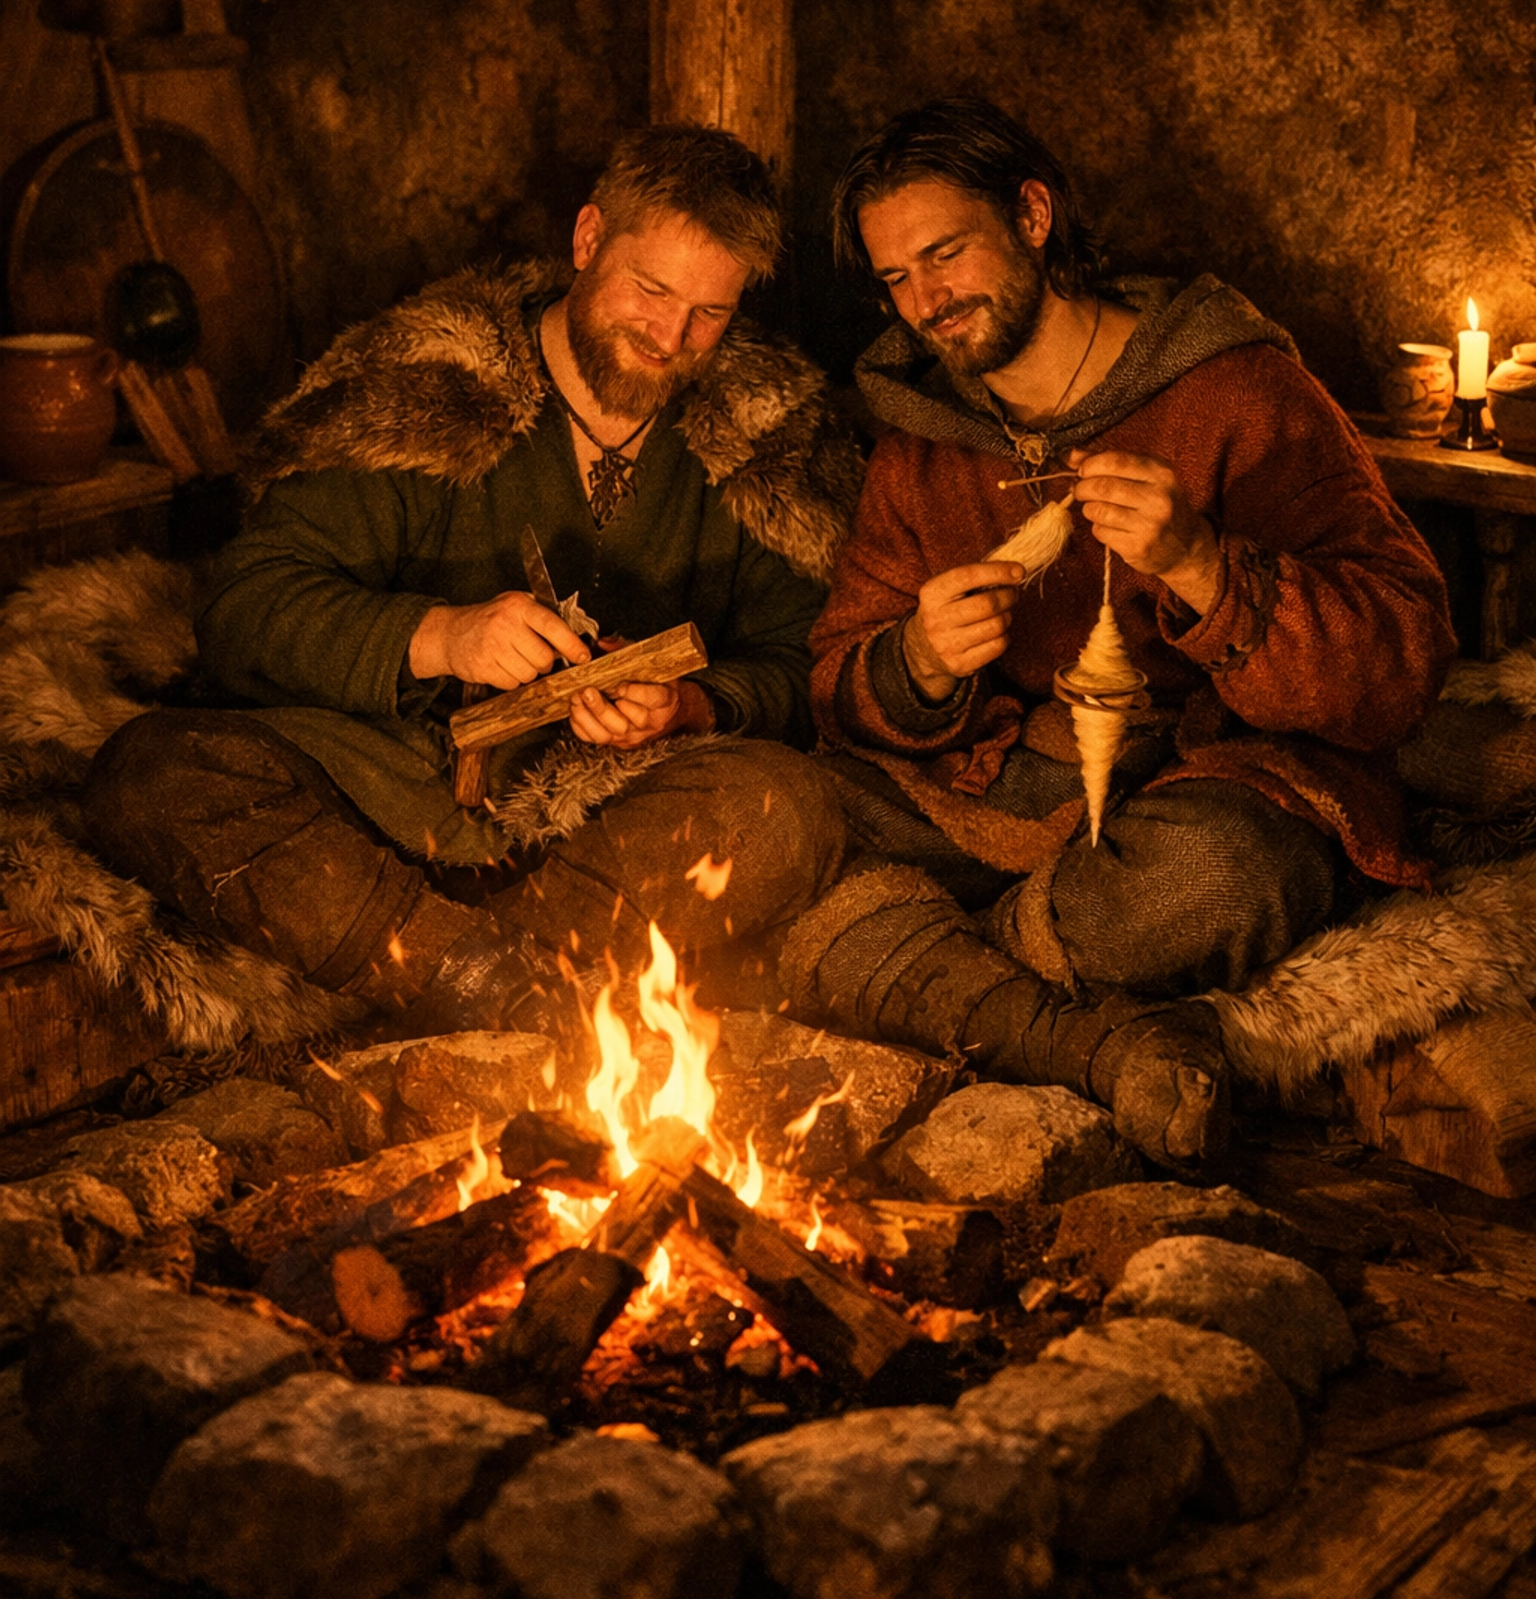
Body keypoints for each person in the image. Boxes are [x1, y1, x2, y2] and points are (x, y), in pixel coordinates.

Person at [786, 98, 1455, 1172]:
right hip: (996, 791)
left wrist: (1203, 565)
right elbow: (836, 674)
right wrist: (917, 662)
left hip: (1201, 788)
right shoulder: (921, 436)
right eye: (896, 278)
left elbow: (1403, 659)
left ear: (1033, 215)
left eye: (946, 254)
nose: (926, 302)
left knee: (1218, 878)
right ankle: (1040, 989)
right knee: (768, 809)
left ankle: (924, 961)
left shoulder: (1235, 390)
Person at [83, 126, 861, 1040]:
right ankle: (498, 985)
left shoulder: (751, 438)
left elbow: (798, 660)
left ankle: (443, 967)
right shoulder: (432, 391)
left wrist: (690, 706)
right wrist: (441, 636)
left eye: (709, 314)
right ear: (588, 239)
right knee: (150, 772)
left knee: (793, 807)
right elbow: (243, 609)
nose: (669, 337)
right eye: (651, 291)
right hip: (381, 782)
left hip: (601, 818)